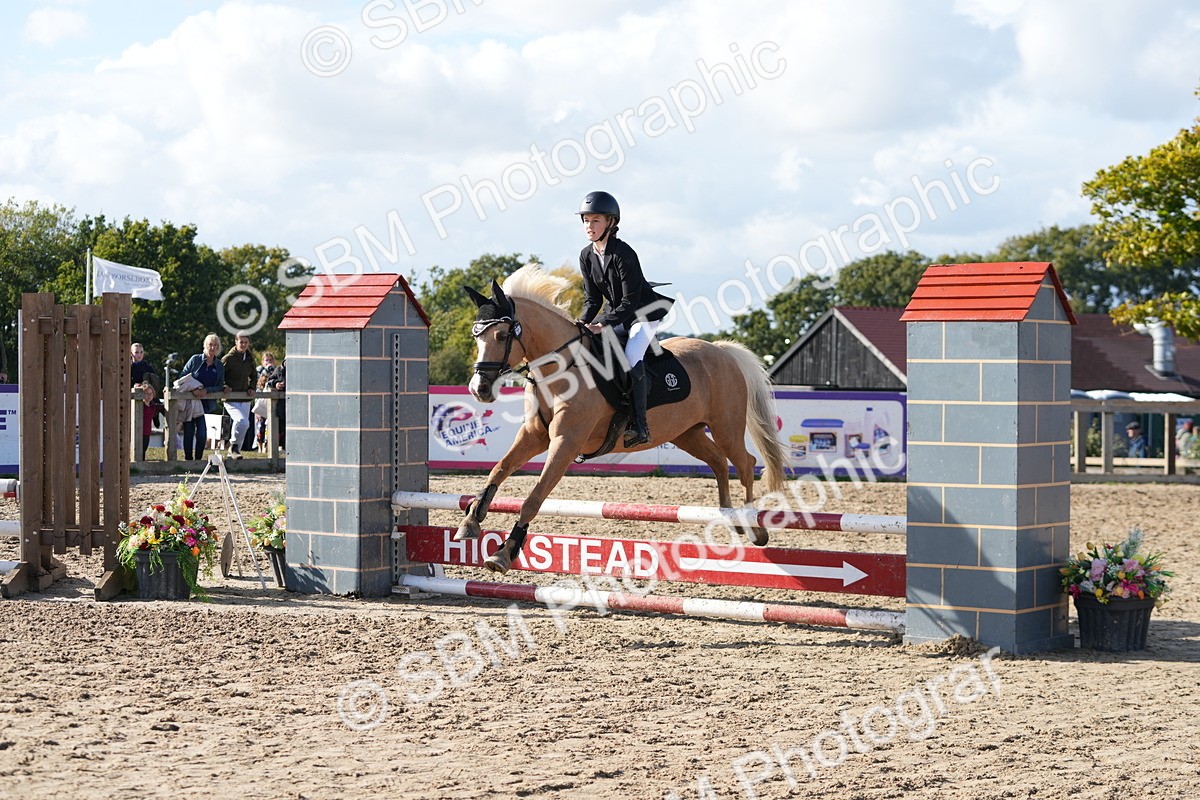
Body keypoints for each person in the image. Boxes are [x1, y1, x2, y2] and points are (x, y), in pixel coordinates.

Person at [575, 191, 674, 447]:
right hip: (617, 315)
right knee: (597, 350)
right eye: (586, 220)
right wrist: (581, 324)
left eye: (595, 220)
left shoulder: (624, 253)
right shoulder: (587, 255)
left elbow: (630, 302)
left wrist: (603, 324)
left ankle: (640, 426)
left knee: (631, 357)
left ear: (610, 222)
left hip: (643, 314)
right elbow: (592, 299)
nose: (589, 226)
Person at [178, 334, 226, 461]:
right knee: (188, 432)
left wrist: (207, 390)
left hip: (206, 403)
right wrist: (193, 389)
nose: (213, 347)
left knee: (202, 434)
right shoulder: (195, 360)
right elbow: (182, 376)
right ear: (205, 345)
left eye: (215, 345)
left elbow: (220, 385)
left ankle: (198, 461)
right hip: (190, 402)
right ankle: (188, 460)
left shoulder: (219, 365)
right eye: (210, 344)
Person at [221, 331, 257, 459]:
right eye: (241, 342)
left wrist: (252, 387)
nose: (243, 344)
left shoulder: (249, 358)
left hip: (245, 397)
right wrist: (224, 386)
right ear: (236, 342)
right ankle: (233, 446)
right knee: (242, 421)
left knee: (244, 424)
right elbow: (220, 374)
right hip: (231, 398)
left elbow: (254, 375)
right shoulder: (229, 358)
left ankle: (235, 454)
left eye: (246, 342)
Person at [255, 351, 278, 451]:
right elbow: (257, 386)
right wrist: (265, 372)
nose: (268, 362)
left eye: (270, 360)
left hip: (272, 401)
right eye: (266, 360)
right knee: (260, 425)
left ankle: (267, 445)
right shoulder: (259, 371)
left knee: (270, 424)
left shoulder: (276, 371)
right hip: (261, 401)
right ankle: (260, 446)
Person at [137, 381, 165, 461]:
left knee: (144, 449)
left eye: (150, 393)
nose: (149, 396)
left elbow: (162, 407)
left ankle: (142, 463)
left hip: (147, 432)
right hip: (139, 431)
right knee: (139, 450)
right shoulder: (139, 405)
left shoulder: (153, 406)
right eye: (146, 394)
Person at [265, 358, 286, 452]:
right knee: (280, 426)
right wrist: (276, 384)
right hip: (281, 405)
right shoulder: (279, 370)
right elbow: (269, 381)